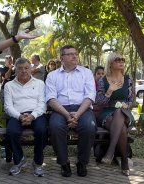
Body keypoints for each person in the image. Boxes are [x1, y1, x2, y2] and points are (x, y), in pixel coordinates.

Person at [45, 45, 97, 177]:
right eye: (70, 54)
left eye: (75, 53)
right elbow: (51, 98)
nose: (74, 56)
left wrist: (77, 114)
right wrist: (67, 115)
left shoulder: (86, 73)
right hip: (60, 110)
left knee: (89, 127)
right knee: (55, 127)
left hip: (83, 108)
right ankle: (64, 163)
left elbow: (90, 96)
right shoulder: (52, 75)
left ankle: (82, 163)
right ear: (62, 58)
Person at [4, 58, 47, 176]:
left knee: (42, 130)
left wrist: (32, 116)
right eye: (20, 68)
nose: (23, 71)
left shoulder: (39, 83)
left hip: (36, 114)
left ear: (31, 69)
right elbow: (8, 106)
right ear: (15, 70)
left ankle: (37, 163)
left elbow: (42, 104)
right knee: (11, 131)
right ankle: (19, 160)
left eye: (26, 68)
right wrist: (19, 116)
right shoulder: (9, 85)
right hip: (17, 115)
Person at [96, 52, 134, 176]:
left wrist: (127, 105)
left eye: (122, 59)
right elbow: (100, 102)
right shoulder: (103, 80)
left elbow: (131, 100)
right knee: (121, 128)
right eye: (117, 60)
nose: (121, 61)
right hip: (107, 111)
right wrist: (109, 91)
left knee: (119, 112)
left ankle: (110, 152)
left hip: (125, 112)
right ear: (111, 63)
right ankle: (124, 160)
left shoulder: (128, 79)